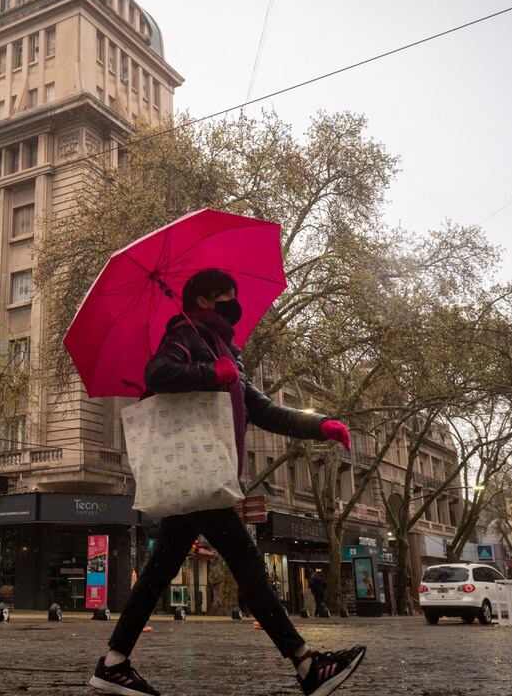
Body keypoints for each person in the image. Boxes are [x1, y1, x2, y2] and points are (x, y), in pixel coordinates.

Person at [89, 269, 366, 696]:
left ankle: (113, 662)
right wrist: (208, 374)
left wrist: (320, 427)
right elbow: (158, 373)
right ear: (202, 299)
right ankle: (306, 664)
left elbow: (264, 409)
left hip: (208, 475)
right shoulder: (183, 334)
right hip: (197, 470)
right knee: (248, 566)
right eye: (226, 297)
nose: (234, 304)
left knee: (160, 571)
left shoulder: (227, 352)